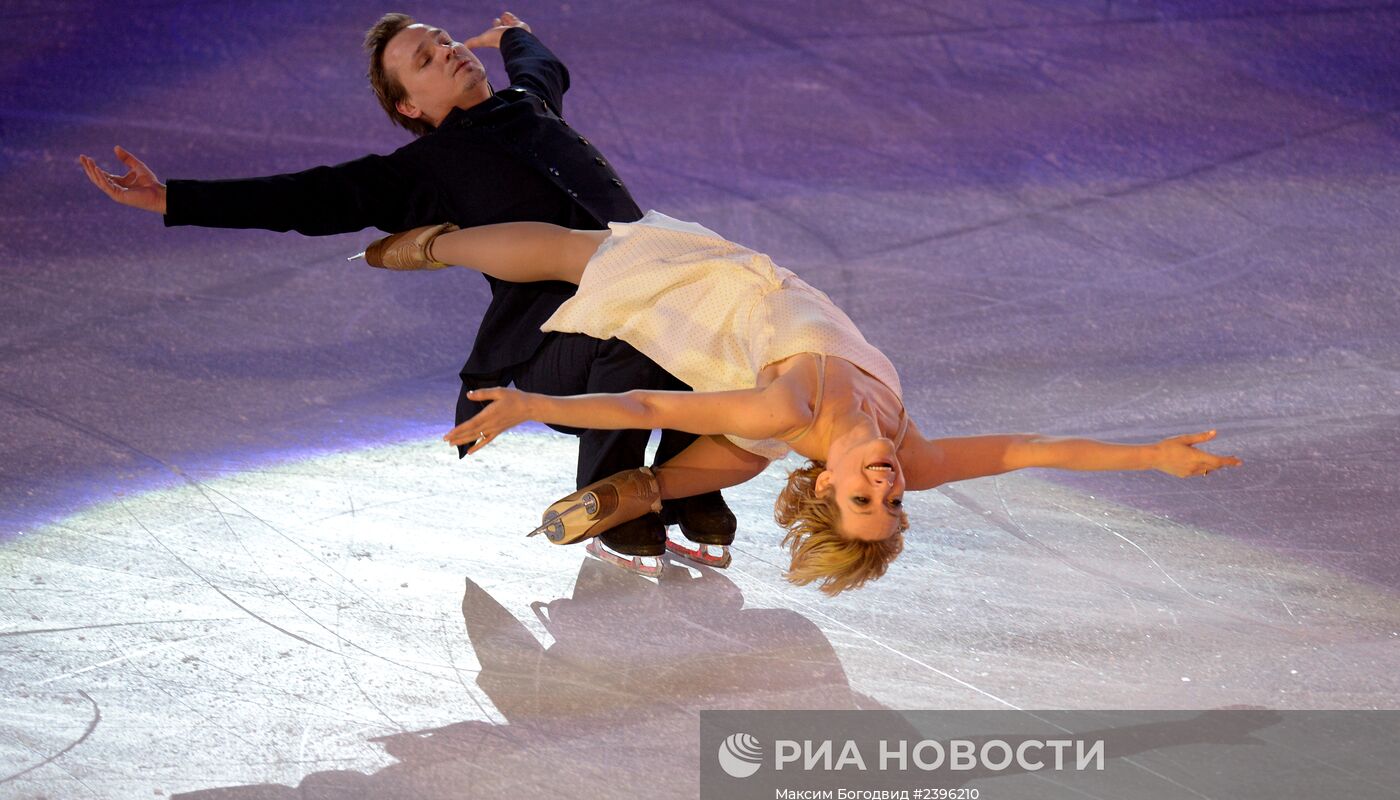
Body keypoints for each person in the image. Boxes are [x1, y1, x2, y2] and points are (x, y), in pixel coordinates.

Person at [76, 12, 735, 574]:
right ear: (409, 107)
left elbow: (544, 67)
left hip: (639, 305)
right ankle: (611, 498)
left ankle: (683, 483)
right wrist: (171, 198)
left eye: (444, 40)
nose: (446, 51)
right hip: (549, 355)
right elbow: (306, 197)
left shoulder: (529, 106)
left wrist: (513, 34)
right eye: (425, 58)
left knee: (706, 306)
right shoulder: (424, 171)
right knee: (629, 325)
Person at [361, 212, 1244, 595]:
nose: (891, 486)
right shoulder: (907, 450)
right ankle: (647, 495)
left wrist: (526, 403)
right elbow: (1029, 449)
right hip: (760, 378)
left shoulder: (787, 407)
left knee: (576, 252)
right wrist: (1150, 456)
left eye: (865, 500)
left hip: (716, 312)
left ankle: (438, 246)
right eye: (894, 504)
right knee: (743, 460)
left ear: (830, 490)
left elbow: (638, 405)